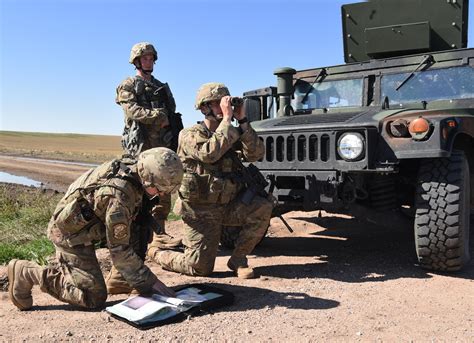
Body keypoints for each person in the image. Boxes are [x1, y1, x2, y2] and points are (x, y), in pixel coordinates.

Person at [7, 147, 184, 310]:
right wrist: (151, 283)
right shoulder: (119, 197)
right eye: (159, 189)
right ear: (147, 178)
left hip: (92, 227)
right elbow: (120, 251)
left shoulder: (135, 170)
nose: (162, 194)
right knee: (93, 297)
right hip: (71, 235)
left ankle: (121, 281)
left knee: (141, 230)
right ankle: (28, 272)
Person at [148, 83, 274, 279]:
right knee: (199, 268)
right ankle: (157, 252)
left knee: (263, 205)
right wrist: (226, 120)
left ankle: (238, 259)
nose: (224, 107)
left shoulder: (232, 132)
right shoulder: (189, 134)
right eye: (217, 103)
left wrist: (242, 121)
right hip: (201, 212)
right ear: (204, 107)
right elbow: (210, 153)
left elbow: (256, 153)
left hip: (228, 206)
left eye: (224, 103)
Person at [113, 42, 183, 293]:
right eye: (144, 58)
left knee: (164, 192)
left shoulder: (161, 87)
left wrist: (171, 127)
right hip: (140, 151)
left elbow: (171, 112)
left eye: (151, 57)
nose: (148, 61)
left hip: (161, 149)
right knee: (137, 198)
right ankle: (133, 244)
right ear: (136, 61)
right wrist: (158, 117)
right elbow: (132, 111)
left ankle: (159, 233)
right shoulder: (128, 85)